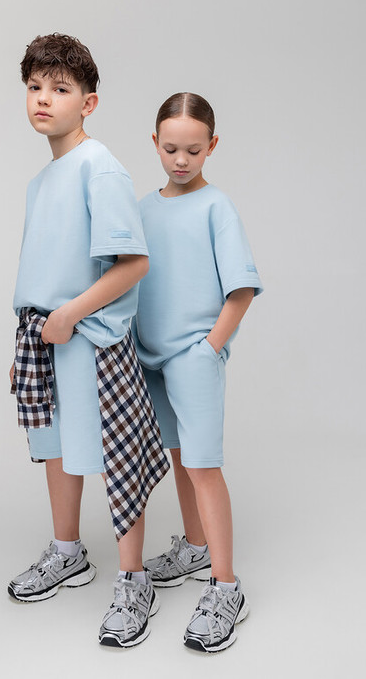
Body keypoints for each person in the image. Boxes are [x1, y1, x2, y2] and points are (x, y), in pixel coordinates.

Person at [8, 33, 169, 648]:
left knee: (117, 459)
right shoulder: (40, 181)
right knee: (56, 448)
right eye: (34, 87)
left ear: (88, 102)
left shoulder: (99, 166)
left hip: (90, 336)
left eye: (60, 88)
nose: (43, 99)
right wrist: (37, 332)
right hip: (44, 334)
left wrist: (70, 314)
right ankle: (67, 551)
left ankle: (134, 580)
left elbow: (133, 263)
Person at [133, 92, 263, 652]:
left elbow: (241, 289)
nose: (181, 160)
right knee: (179, 455)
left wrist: (209, 348)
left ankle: (226, 586)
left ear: (212, 146)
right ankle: (194, 547)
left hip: (193, 354)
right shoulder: (142, 208)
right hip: (148, 356)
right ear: (155, 144)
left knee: (204, 464)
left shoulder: (217, 207)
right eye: (170, 149)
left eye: (193, 149)